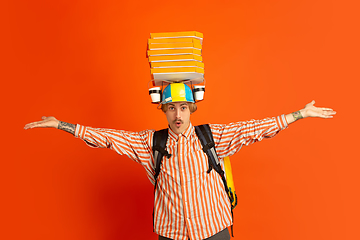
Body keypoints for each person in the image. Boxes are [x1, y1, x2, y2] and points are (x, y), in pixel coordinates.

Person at [24, 83, 336, 240]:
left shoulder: (210, 136)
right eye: (171, 108)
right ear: (164, 111)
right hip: (171, 233)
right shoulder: (151, 143)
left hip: (214, 230)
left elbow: (254, 129)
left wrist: (299, 114)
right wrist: (63, 125)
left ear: (191, 110)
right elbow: (108, 137)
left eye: (183, 108)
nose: (177, 115)